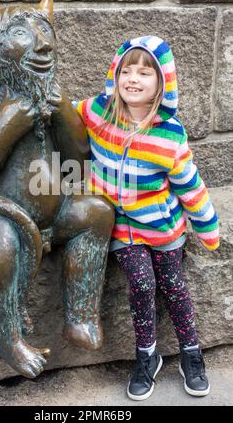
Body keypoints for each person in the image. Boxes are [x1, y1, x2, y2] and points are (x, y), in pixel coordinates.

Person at [72, 35, 220, 401]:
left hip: (164, 230)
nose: (133, 78)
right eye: (127, 70)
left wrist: (207, 226)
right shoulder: (98, 114)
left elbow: (190, 185)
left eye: (145, 73)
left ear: (162, 84)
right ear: (115, 75)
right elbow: (63, 111)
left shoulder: (170, 136)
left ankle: (191, 353)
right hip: (122, 230)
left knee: (174, 286)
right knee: (141, 284)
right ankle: (147, 357)